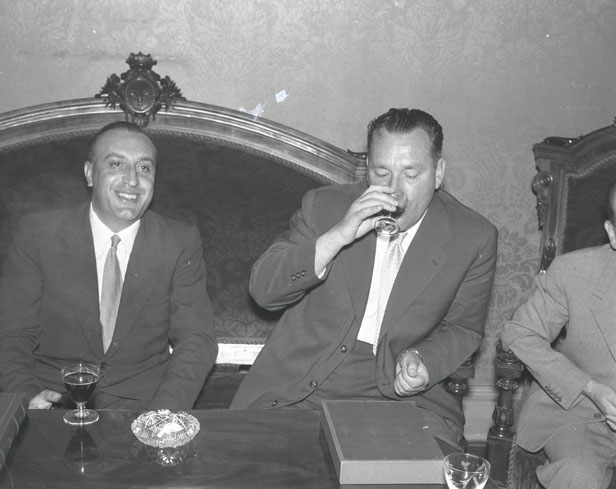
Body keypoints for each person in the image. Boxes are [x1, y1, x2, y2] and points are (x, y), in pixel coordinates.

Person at [230, 108, 498, 448]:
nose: (394, 192)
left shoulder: (472, 236)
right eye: (381, 173)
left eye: (411, 174)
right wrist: (337, 236)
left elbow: (464, 329)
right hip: (303, 388)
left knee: (422, 478)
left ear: (438, 173)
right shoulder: (323, 207)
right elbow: (264, 292)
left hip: (405, 399)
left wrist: (424, 361)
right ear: (367, 168)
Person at [0, 121, 217, 411]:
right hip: (52, 403)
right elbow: (12, 334)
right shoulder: (37, 234)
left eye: (144, 168)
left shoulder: (179, 241)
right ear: (90, 173)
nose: (132, 180)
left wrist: (163, 412)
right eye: (116, 164)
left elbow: (196, 339)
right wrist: (26, 397)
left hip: (144, 406)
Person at [500, 181, 616, 489]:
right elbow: (519, 333)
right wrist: (589, 387)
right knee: (574, 475)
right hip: (585, 416)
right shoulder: (574, 273)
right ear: (613, 233)